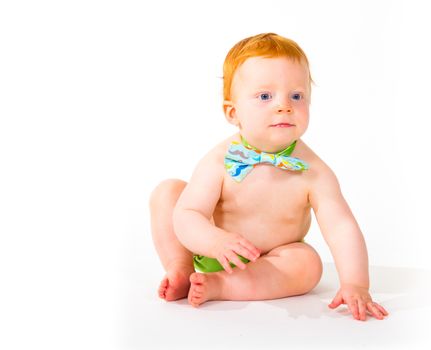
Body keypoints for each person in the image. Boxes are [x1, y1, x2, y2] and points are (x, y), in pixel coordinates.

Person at [149, 33, 388, 321]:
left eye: (296, 96)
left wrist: (356, 283)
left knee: (308, 263)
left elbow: (341, 227)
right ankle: (180, 268)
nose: (284, 105)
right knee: (168, 193)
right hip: (211, 245)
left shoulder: (313, 171)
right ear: (233, 112)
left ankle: (222, 285)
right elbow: (188, 214)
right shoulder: (219, 161)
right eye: (265, 96)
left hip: (273, 262)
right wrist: (214, 242)